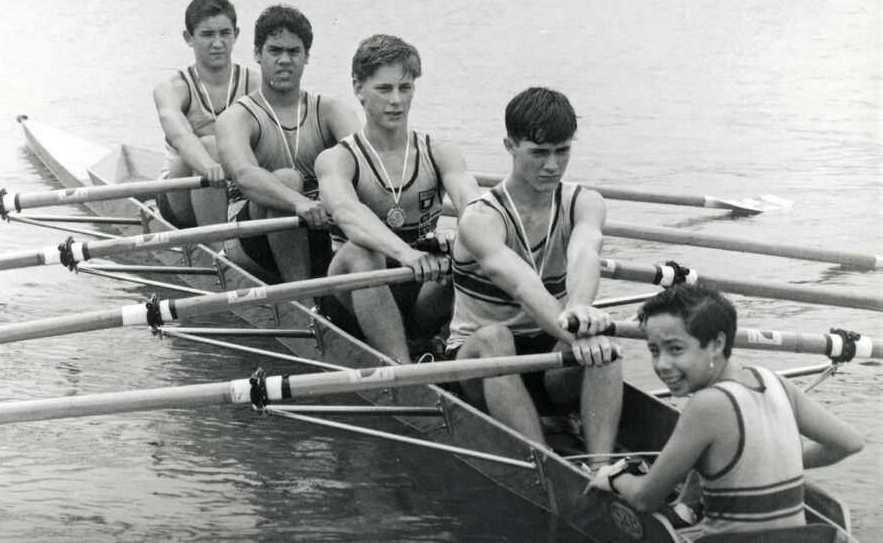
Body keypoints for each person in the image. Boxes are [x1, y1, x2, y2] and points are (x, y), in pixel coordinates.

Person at [586, 284, 862, 537]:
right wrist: (774, 464)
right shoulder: (771, 380)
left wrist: (614, 476)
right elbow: (848, 443)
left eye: (675, 349)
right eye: (654, 350)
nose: (662, 365)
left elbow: (645, 499)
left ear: (717, 344)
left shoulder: (707, 404)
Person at [446, 87, 622, 469]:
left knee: (603, 340)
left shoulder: (585, 202)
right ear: (510, 146)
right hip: (479, 361)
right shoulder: (481, 218)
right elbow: (524, 287)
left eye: (562, 151)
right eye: (539, 153)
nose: (552, 166)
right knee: (497, 337)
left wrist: (580, 311)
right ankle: (546, 467)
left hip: (548, 355)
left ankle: (601, 469)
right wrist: (576, 330)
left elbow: (584, 254)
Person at [315, 34, 479, 363]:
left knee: (474, 239)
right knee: (364, 250)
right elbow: (347, 213)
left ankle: (452, 348)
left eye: (405, 88)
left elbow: (475, 205)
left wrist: (461, 237)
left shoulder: (440, 153)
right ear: (359, 89)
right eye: (384, 89)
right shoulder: (338, 159)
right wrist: (406, 253)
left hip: (420, 295)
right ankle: (404, 371)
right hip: (350, 295)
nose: (396, 100)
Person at [214, 4, 360, 283]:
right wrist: (298, 202)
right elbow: (244, 176)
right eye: (275, 51)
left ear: (306, 57)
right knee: (287, 179)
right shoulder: (237, 117)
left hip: (318, 228)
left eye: (294, 51)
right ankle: (303, 299)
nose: (284, 60)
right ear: (258, 54)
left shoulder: (330, 110)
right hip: (249, 242)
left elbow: (368, 162)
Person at [152, 0, 255, 229]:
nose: (218, 43)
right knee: (209, 143)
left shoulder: (255, 83)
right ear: (189, 38)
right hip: (180, 195)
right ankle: (219, 253)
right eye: (207, 35)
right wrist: (209, 165)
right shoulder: (172, 89)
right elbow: (180, 136)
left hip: (238, 185)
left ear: (236, 35)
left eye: (225, 33)